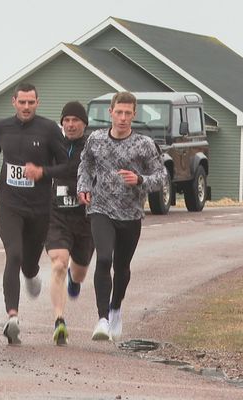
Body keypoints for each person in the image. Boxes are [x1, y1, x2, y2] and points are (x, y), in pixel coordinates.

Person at [77, 91, 166, 341]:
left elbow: (161, 178)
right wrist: (83, 186)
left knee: (122, 267)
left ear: (134, 115)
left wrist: (139, 179)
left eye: (128, 113)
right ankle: (102, 319)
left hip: (131, 213)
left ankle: (116, 308)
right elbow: (85, 165)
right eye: (119, 112)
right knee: (103, 259)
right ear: (110, 113)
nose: (123, 118)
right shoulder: (95, 140)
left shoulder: (144, 145)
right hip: (100, 209)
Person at [0, 82, 68, 345]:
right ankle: (13, 318)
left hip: (40, 208)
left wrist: (43, 172)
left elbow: (66, 163)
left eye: (31, 102)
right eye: (22, 102)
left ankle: (32, 273)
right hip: (9, 203)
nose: (26, 107)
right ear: (14, 102)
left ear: (37, 103)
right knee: (14, 254)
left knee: (29, 262)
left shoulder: (49, 130)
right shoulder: (1, 127)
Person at [24, 101, 94, 346]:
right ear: (62, 123)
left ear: (84, 123)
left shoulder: (93, 146)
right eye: (67, 120)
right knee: (58, 264)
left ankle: (75, 282)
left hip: (86, 219)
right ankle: (59, 320)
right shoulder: (53, 144)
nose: (71, 124)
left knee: (79, 270)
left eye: (76, 120)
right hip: (56, 215)